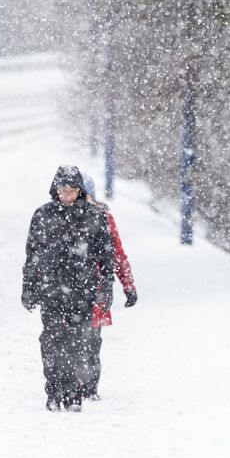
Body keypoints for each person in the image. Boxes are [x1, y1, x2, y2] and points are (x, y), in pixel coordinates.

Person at [22, 164, 114, 412]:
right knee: (51, 342)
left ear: (80, 190)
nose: (67, 195)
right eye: (63, 190)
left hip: (82, 291)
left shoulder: (94, 217)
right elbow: (33, 255)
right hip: (50, 291)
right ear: (56, 190)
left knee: (76, 343)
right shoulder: (42, 216)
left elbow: (106, 258)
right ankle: (54, 390)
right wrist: (29, 288)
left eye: (72, 190)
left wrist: (106, 289)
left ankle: (74, 392)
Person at [80, 171, 137, 400]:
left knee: (92, 340)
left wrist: (128, 285)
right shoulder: (59, 217)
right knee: (72, 338)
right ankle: (74, 382)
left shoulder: (102, 218)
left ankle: (89, 386)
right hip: (73, 289)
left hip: (96, 288)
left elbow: (117, 254)